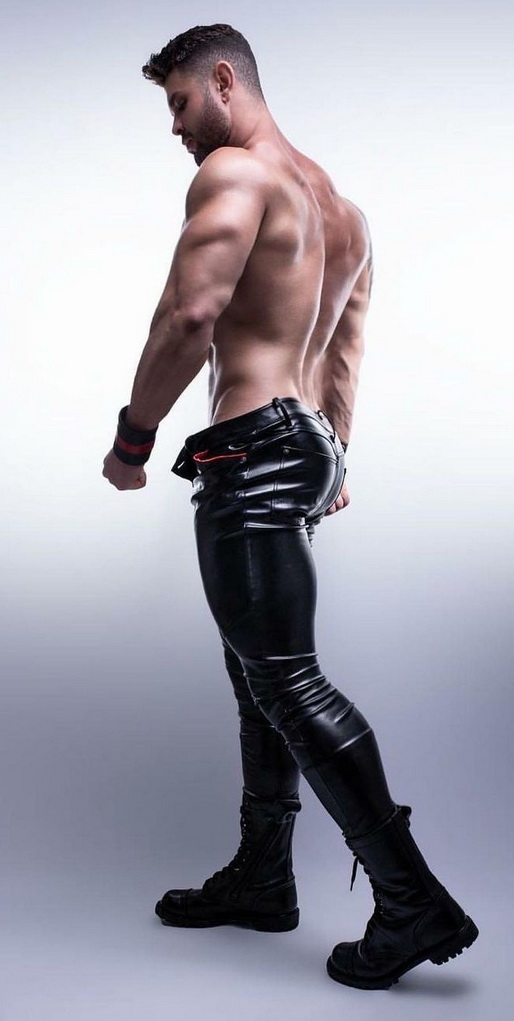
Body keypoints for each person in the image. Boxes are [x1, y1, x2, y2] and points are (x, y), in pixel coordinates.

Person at [102, 24, 478, 990]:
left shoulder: (235, 174)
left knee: (288, 682)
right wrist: (332, 455)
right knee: (258, 675)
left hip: (249, 446)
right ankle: (264, 875)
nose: (177, 128)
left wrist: (134, 438)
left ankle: (410, 900)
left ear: (224, 80)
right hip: (303, 442)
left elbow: (190, 314)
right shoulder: (342, 211)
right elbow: (344, 351)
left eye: (181, 102)